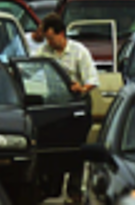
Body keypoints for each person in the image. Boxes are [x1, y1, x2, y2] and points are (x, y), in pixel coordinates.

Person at [37, 14, 98, 205]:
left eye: (51, 38)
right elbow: (30, 67)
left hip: (76, 104)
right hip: (53, 105)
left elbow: (92, 80)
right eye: (46, 38)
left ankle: (74, 190)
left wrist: (81, 88)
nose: (49, 42)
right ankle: (51, 186)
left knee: (75, 148)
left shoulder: (79, 52)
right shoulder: (44, 52)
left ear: (61, 34)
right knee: (54, 146)